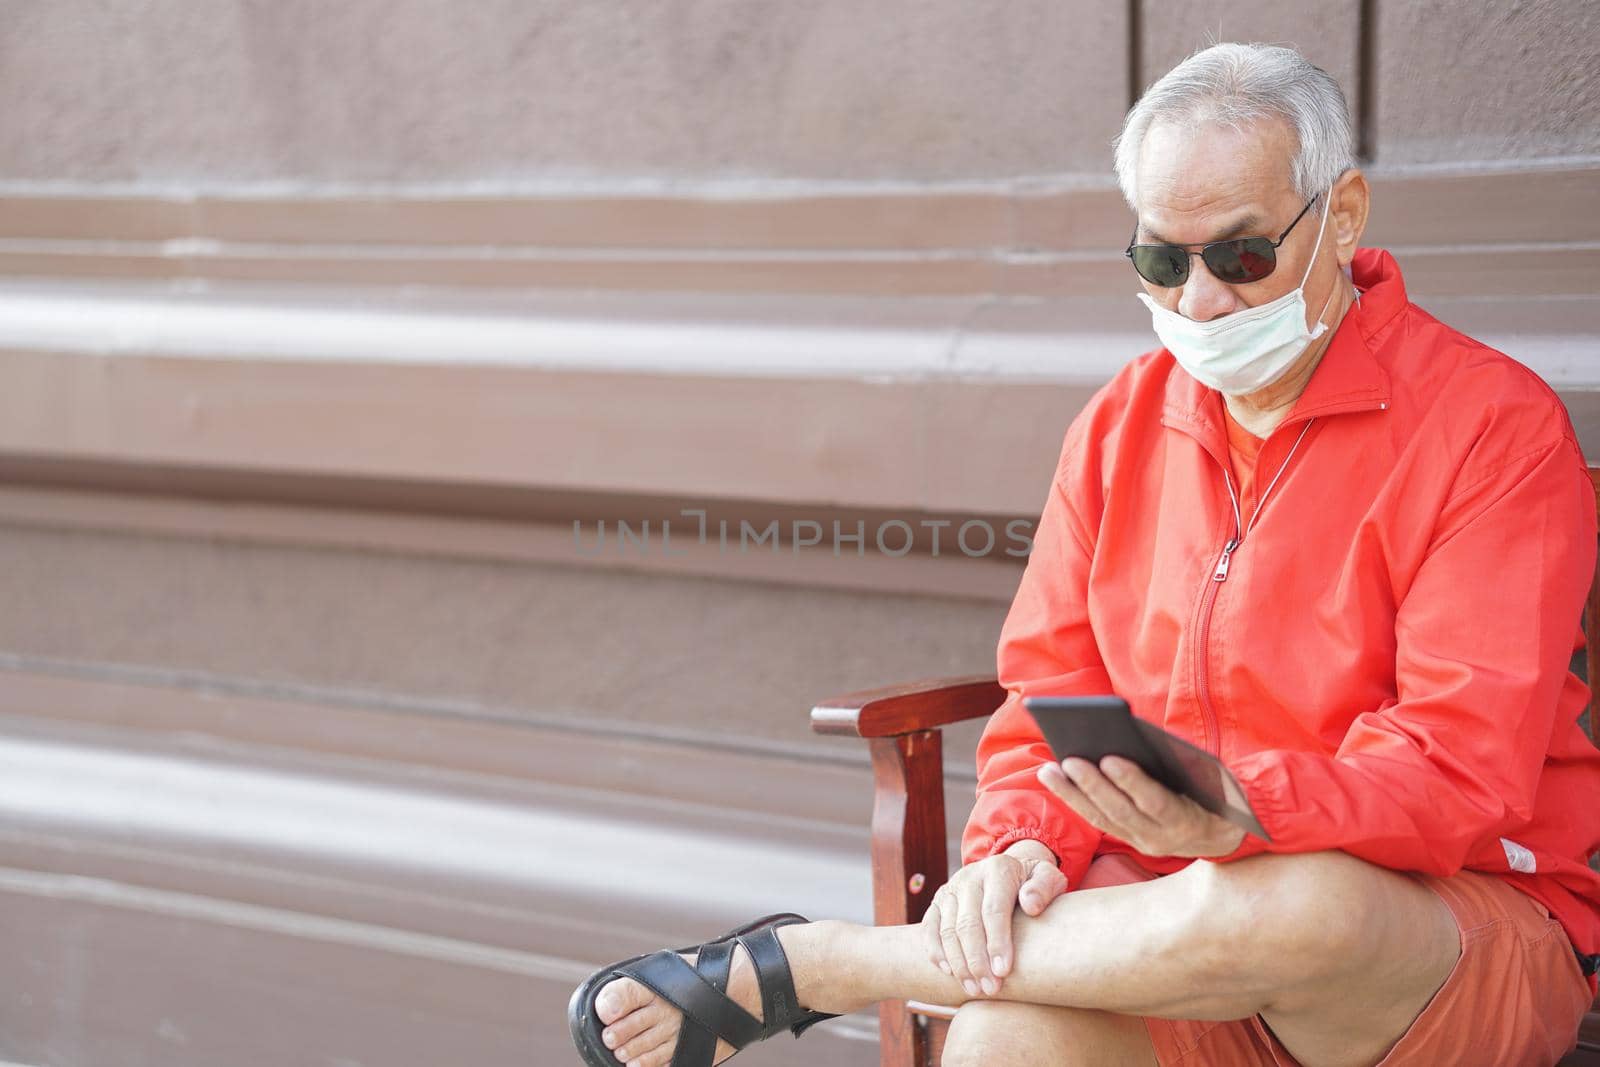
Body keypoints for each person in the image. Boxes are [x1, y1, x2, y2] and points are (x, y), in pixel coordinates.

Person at [568, 42, 1600, 1067]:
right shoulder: (1119, 420)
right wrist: (1018, 843)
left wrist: (1243, 815)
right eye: (1161, 259)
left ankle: (827, 962)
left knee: (1296, 906)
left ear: (1341, 215)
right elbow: (1046, 692)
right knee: (1002, 1039)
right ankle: (883, 958)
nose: (1197, 302)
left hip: (1433, 944)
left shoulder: (1489, 424)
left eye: (1241, 256)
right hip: (1142, 930)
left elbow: (1458, 766)